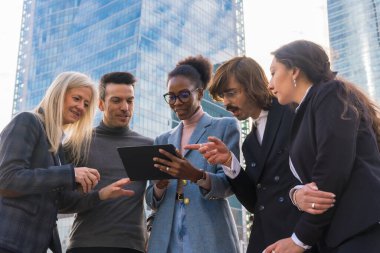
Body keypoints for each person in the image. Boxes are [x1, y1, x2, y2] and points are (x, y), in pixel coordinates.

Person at [186, 56, 334, 253]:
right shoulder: (249, 144)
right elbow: (256, 203)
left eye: (231, 93)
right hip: (265, 242)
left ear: (252, 85)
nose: (227, 103)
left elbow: (325, 170)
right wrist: (230, 162)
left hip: (302, 239)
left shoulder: (293, 111)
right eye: (223, 97)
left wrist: (302, 238)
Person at [263, 40, 380, 253]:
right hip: (338, 235)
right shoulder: (304, 112)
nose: (270, 85)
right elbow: (307, 179)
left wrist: (299, 239)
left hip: (362, 230)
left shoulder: (330, 93)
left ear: (295, 71)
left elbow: (332, 167)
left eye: (273, 72)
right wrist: (296, 195)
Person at [145, 55, 241, 253]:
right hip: (166, 235)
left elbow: (230, 185)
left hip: (208, 231)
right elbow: (150, 200)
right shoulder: (162, 139)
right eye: (171, 96)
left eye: (184, 95)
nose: (176, 102)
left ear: (199, 93)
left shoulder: (225, 126)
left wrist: (196, 175)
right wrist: (159, 187)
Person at [0, 72, 101, 253]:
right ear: (59, 94)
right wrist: (70, 174)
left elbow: (58, 202)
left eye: (86, 104)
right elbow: (7, 179)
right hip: (8, 241)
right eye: (76, 98)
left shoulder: (58, 147)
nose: (81, 107)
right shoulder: (27, 121)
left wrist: (101, 195)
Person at [59, 72, 153, 253]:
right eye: (116, 100)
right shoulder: (77, 143)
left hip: (133, 247)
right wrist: (99, 194)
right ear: (101, 104)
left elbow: (159, 201)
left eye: (130, 101)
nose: (125, 107)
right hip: (85, 245)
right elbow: (58, 201)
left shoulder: (147, 146)